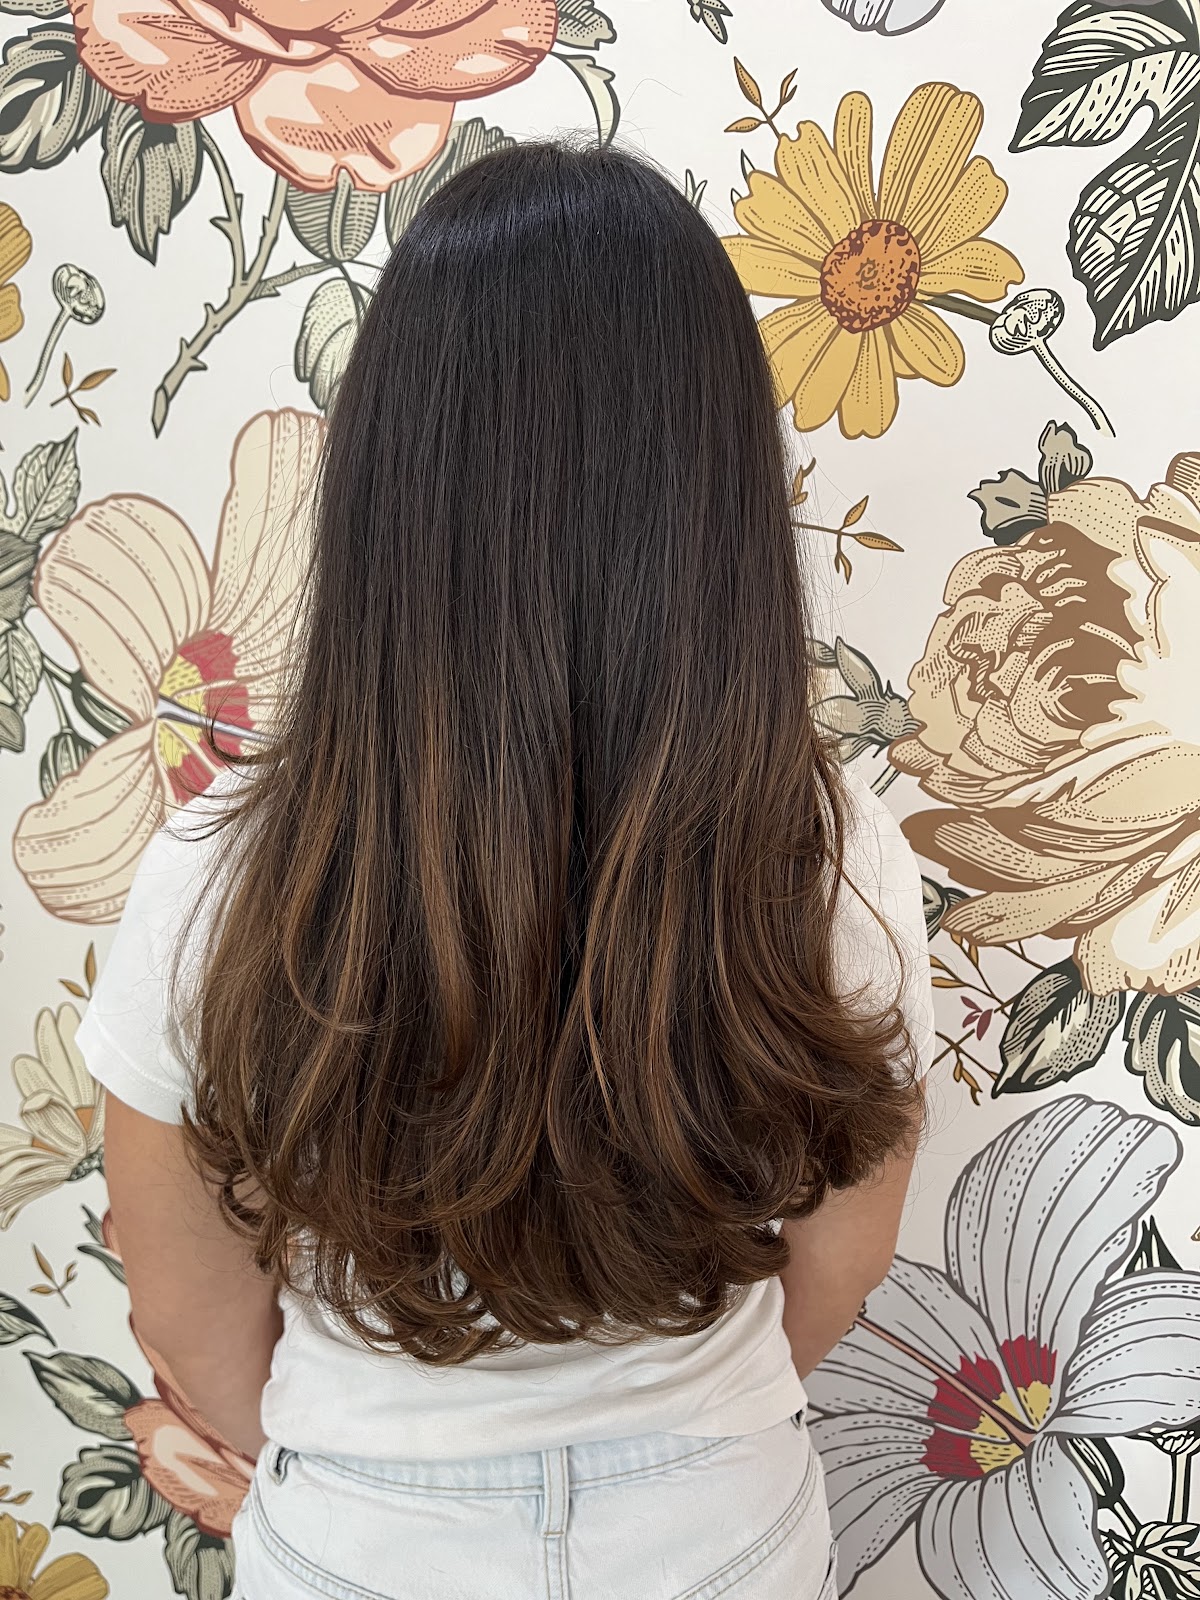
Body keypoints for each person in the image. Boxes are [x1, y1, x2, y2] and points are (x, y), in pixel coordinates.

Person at [77, 141, 935, 1600]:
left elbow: (185, 1300)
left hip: (365, 1537)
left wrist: (345, 1451)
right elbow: (839, 1269)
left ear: (389, 481)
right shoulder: (830, 852)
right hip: (715, 1532)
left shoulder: (224, 863)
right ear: (717, 495)